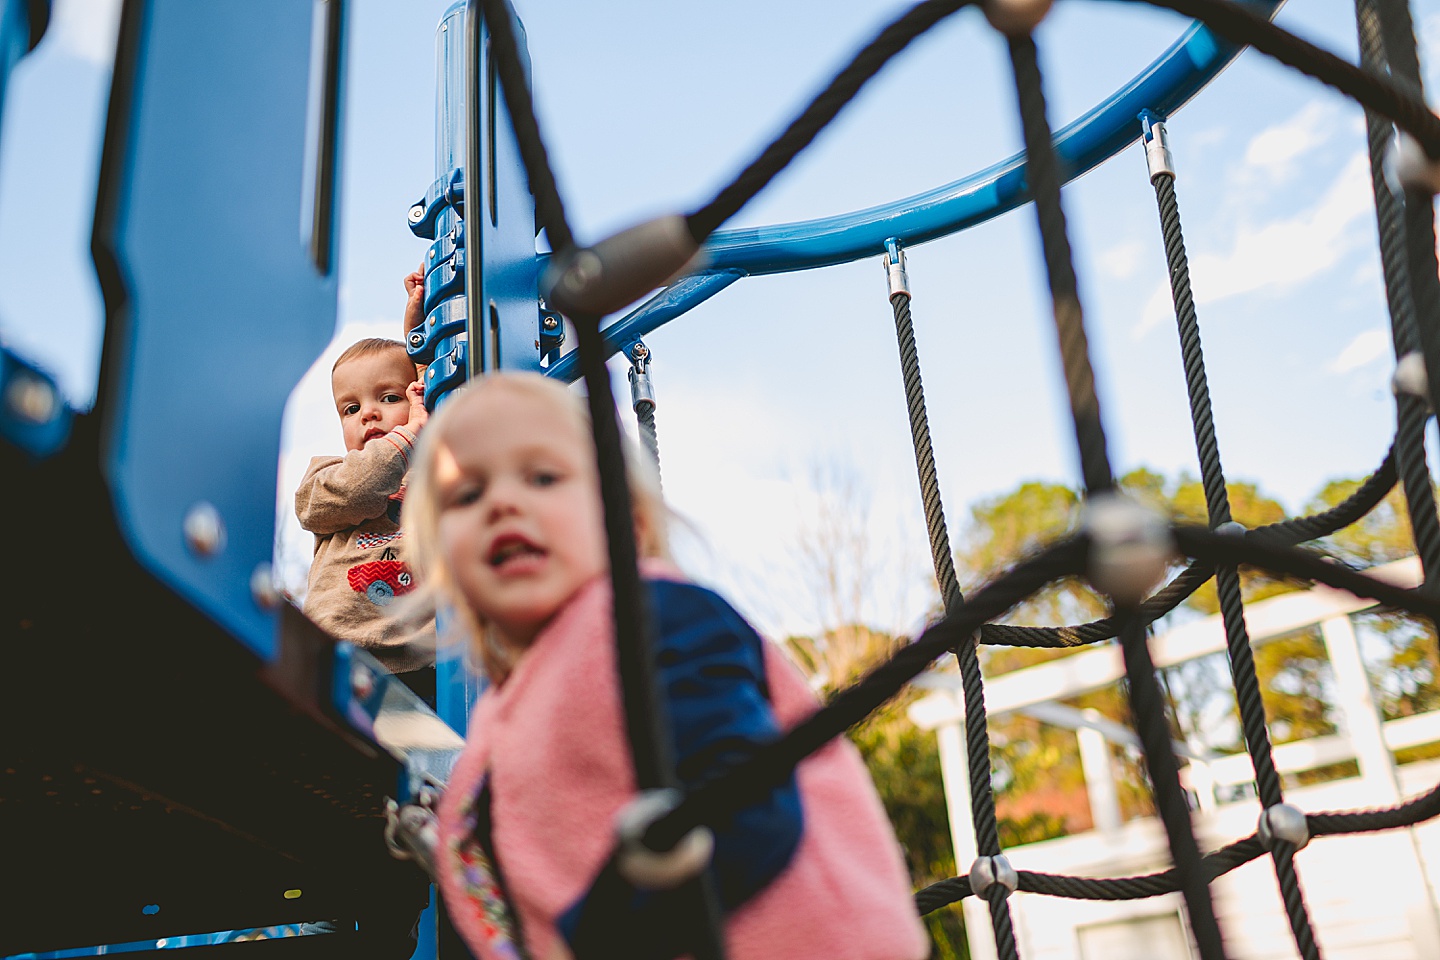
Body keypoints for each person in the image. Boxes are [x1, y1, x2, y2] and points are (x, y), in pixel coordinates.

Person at [402, 372, 929, 960]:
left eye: (543, 477)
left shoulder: (653, 614)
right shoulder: (502, 714)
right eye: (467, 495)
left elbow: (744, 805)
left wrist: (601, 935)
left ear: (631, 524)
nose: (502, 502)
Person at [295, 337, 435, 701]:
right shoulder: (330, 474)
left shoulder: (438, 481)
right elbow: (363, 482)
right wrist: (406, 436)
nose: (368, 414)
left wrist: (420, 335)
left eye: (389, 398)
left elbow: (439, 389)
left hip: (423, 665)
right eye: (351, 408)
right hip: (341, 655)